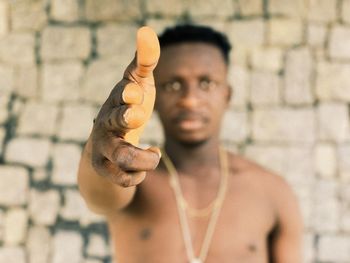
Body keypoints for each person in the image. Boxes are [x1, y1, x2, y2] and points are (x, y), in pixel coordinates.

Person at [78, 24, 303, 263]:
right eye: (173, 85)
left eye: (206, 83)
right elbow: (100, 191)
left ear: (227, 95)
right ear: (154, 97)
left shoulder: (273, 192)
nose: (190, 100)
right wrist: (99, 144)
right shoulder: (133, 179)